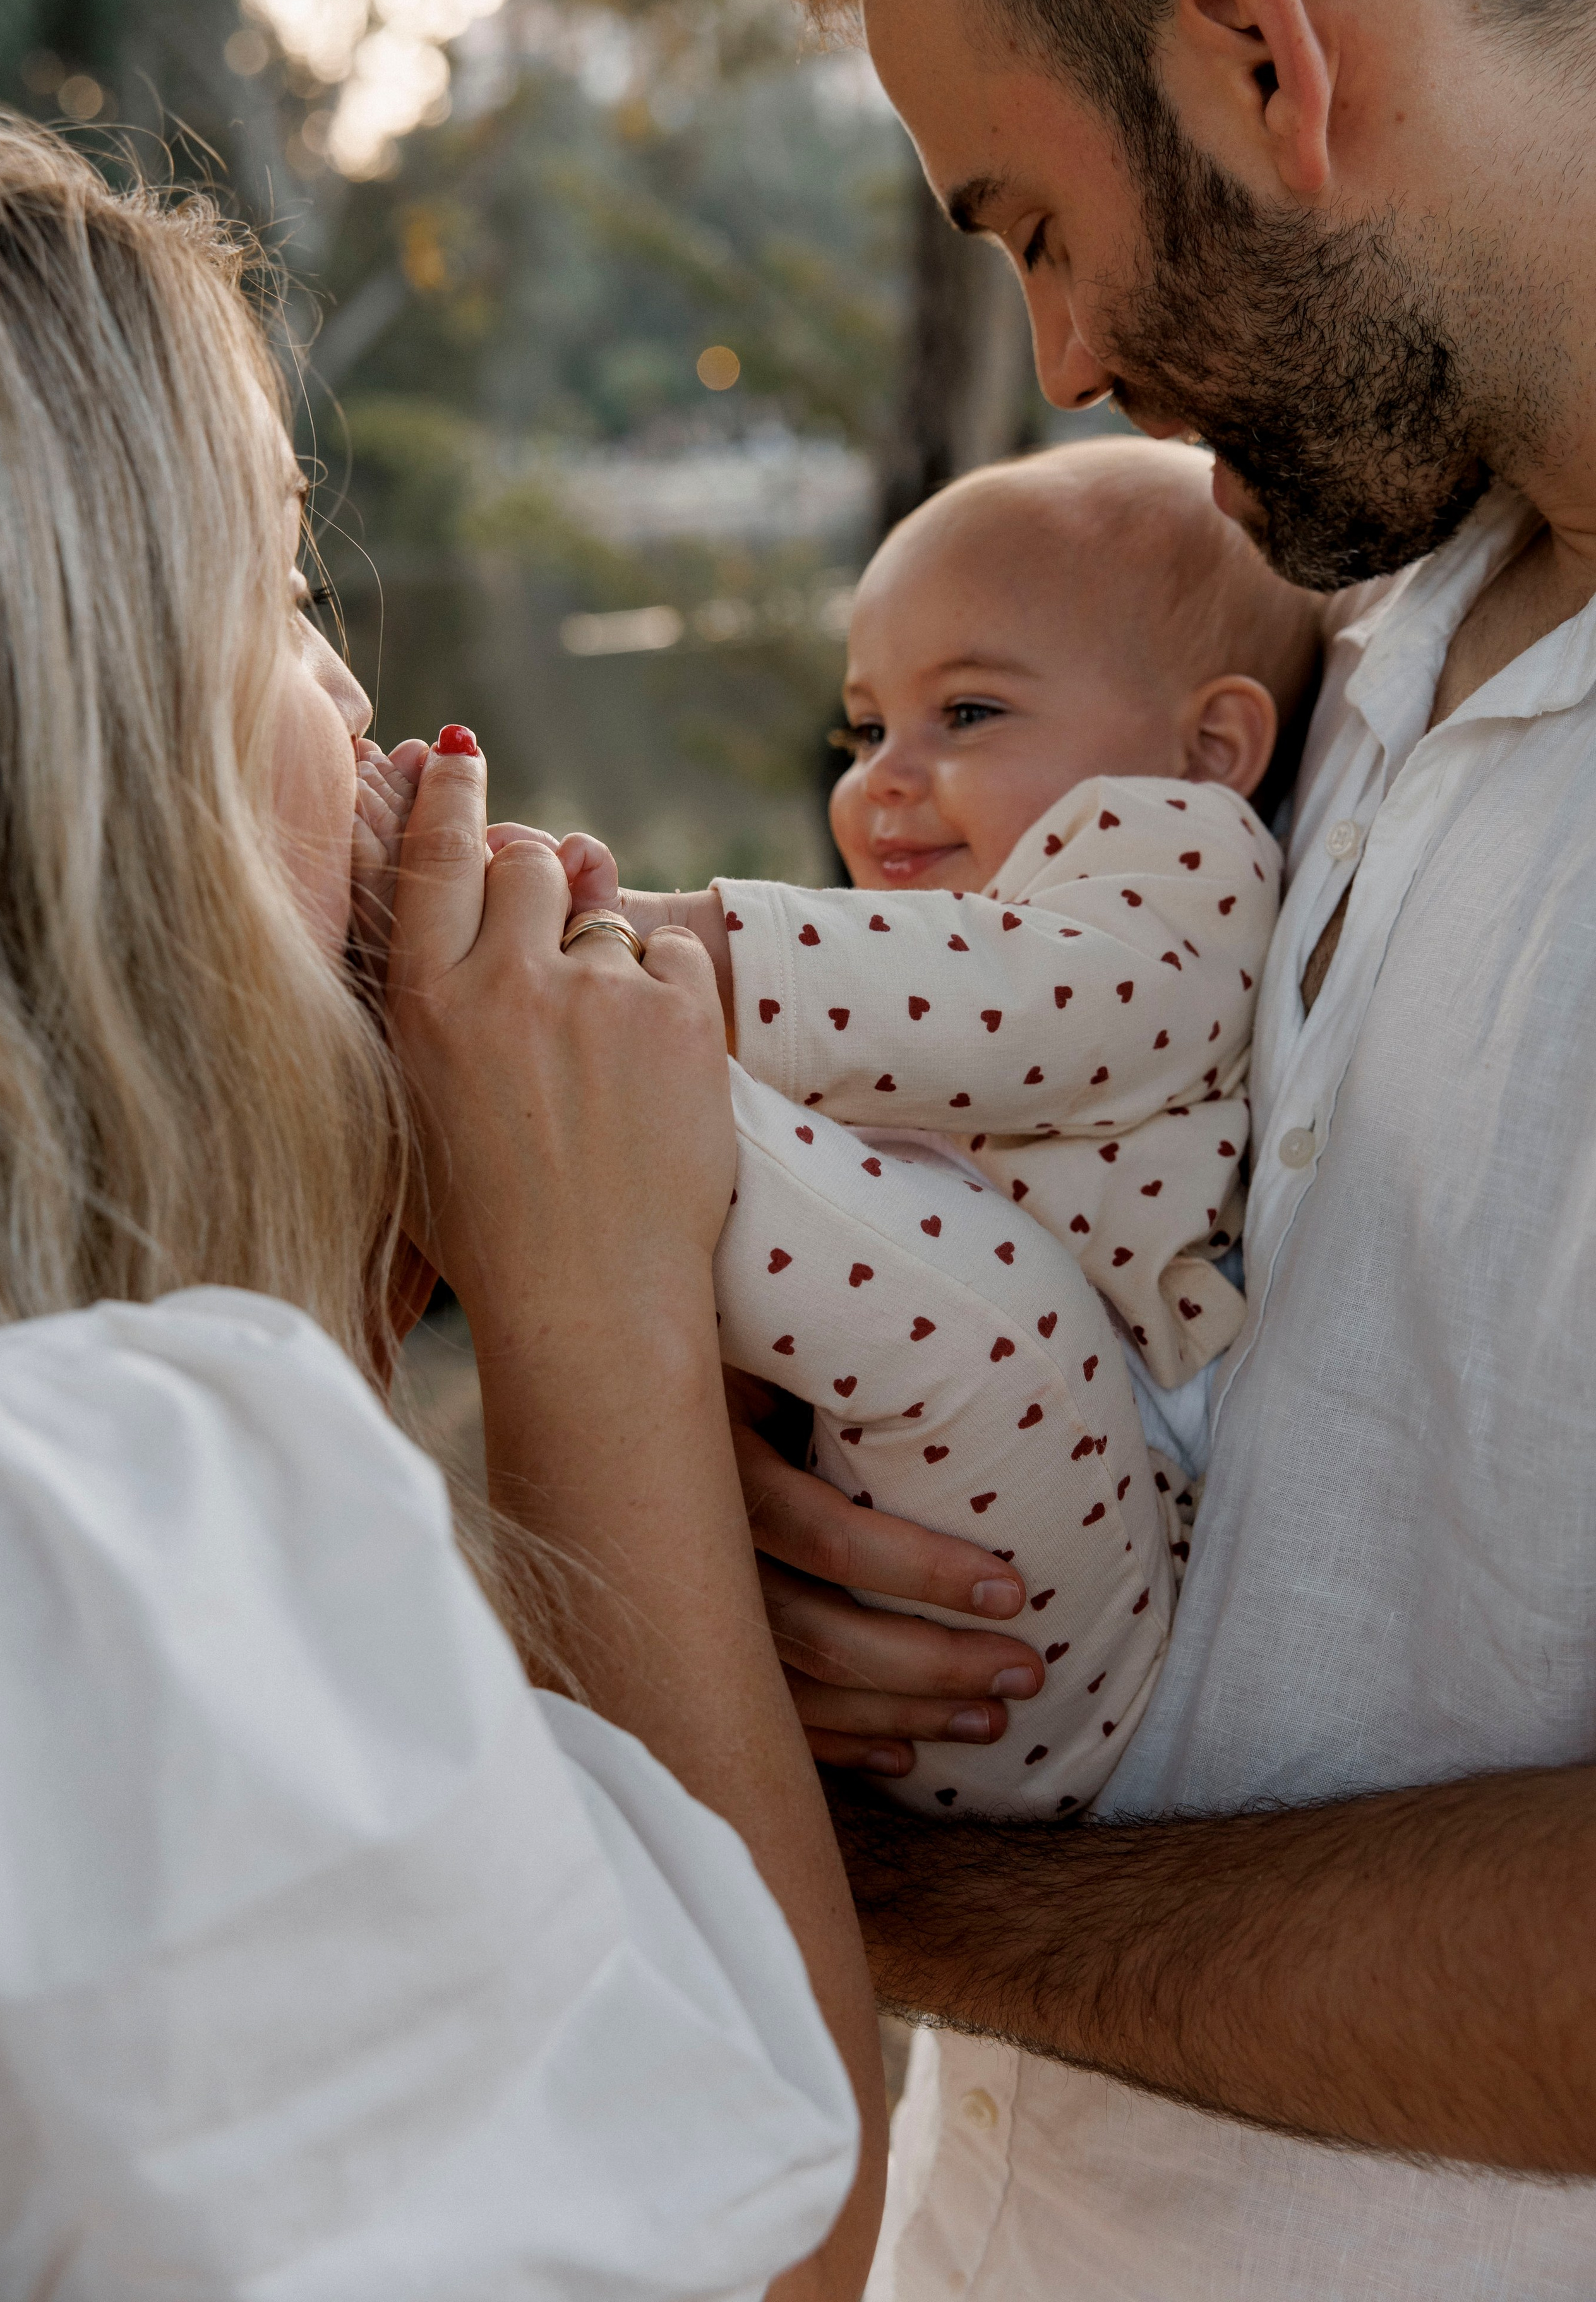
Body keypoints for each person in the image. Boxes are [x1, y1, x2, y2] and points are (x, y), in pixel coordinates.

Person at [706, 0, 1596, 2294]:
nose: (1069, 353)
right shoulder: (1320, 635)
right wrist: (806, 1502)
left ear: (1257, 57)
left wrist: (861, 1879)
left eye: (1033, 227)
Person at [0, 111, 886, 2298]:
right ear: (99, 738)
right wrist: (597, 1306)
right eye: (284, 593)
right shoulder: (108, 1536)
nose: (362, 696)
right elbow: (764, 2236)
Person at [506, 440, 1317, 1817]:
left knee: (985, 1301)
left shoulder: (1186, 882)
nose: (884, 776)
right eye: (864, 729)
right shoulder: (959, 947)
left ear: (1209, 748)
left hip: (1084, 1630)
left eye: (970, 714)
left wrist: (668, 941)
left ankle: (524, 1030)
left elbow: (993, 999)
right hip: (914, 1601)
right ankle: (523, 1057)